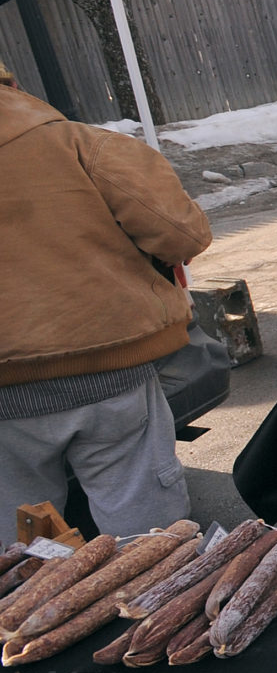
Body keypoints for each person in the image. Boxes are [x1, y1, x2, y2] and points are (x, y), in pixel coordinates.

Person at [0, 86, 211, 534]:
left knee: (20, 537)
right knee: (143, 521)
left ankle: (33, 601)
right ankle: (153, 597)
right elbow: (181, 234)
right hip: (107, 368)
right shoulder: (78, 143)